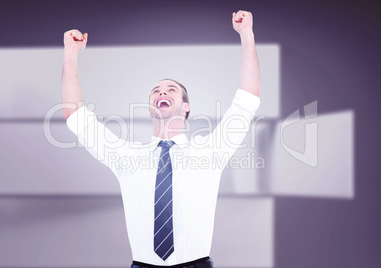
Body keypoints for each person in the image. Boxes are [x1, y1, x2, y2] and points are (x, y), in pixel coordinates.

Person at [62, 10, 261, 268]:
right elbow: (75, 115)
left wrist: (247, 35)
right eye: (155, 91)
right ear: (149, 108)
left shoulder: (211, 151)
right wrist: (70, 53)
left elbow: (247, 100)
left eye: (170, 90)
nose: (161, 93)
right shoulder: (126, 156)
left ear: (186, 106)